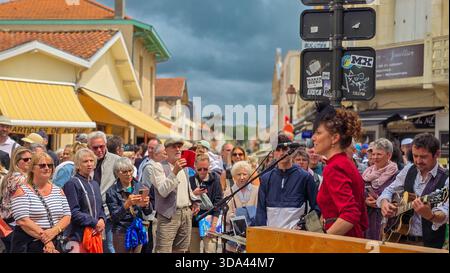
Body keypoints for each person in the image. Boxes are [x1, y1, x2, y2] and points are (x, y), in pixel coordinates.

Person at [377, 133, 449, 248]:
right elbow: (389, 189)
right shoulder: (408, 170)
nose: (418, 161)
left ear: (437, 154)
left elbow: (445, 214)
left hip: (428, 244)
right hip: (398, 237)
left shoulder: (446, 179)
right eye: (415, 156)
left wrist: (430, 215)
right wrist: (384, 202)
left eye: (423, 157)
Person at [311, 102, 368, 238]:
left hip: (342, 243)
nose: (314, 138)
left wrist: (322, 240)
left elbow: (350, 214)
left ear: (335, 138)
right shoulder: (344, 163)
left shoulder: (335, 167)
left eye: (318, 133)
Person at [10, 152, 71, 253]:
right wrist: (47, 240)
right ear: (32, 169)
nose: (47, 168)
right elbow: (23, 221)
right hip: (29, 244)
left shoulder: (58, 190)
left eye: (50, 165)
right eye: (42, 165)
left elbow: (67, 216)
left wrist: (54, 231)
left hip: (55, 241)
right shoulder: (22, 191)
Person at [256, 134, 319, 229]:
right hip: (271, 237)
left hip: (296, 238)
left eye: (285, 149)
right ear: (273, 153)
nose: (281, 153)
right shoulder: (265, 178)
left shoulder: (305, 177)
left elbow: (317, 206)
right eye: (278, 150)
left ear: (292, 151)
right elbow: (261, 211)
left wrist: (304, 225)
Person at [149, 138, 200, 253]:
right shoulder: (158, 167)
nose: (177, 149)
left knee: (181, 250)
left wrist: (194, 201)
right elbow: (163, 191)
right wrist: (175, 171)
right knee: (163, 250)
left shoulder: (184, 167)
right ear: (166, 150)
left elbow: (187, 189)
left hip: (186, 213)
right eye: (174, 146)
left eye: (179, 146)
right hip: (168, 215)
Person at [63, 148, 106, 253]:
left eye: (91, 161)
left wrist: (102, 219)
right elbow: (73, 212)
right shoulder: (72, 183)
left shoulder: (94, 184)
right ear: (78, 165)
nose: (89, 164)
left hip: (94, 236)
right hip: (77, 237)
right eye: (85, 161)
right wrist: (95, 222)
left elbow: (100, 207)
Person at [106, 158, 152, 253]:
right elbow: (114, 217)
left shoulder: (139, 186)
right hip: (121, 231)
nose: (128, 174)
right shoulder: (112, 191)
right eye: (124, 171)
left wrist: (146, 205)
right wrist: (127, 204)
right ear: (117, 173)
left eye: (130, 170)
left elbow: (148, 212)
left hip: (138, 228)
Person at [87, 131, 120, 253]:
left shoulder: (116, 160)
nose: (99, 150)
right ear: (89, 147)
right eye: (95, 147)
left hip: (108, 212)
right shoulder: (85, 161)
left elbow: (127, 183)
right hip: (89, 213)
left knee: (109, 248)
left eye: (102, 146)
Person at [362, 138, 398, 240]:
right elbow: (359, 192)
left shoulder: (397, 175)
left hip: (385, 223)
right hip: (367, 221)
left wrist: (381, 202)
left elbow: (399, 199)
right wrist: (365, 201)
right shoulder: (367, 173)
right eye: (373, 154)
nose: (375, 157)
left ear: (389, 155)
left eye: (379, 154)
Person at [189, 154, 223, 253]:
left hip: (209, 221)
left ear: (209, 167)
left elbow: (218, 203)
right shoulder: (191, 180)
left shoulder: (215, 179)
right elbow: (186, 201)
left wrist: (213, 226)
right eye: (199, 169)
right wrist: (194, 194)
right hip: (194, 222)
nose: (202, 172)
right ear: (195, 166)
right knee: (193, 250)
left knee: (210, 250)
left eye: (205, 169)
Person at [0, 147, 32, 252]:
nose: (30, 161)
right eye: (26, 159)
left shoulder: (8, 176)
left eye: (31, 159)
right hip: (17, 224)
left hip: (6, 223)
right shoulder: (22, 179)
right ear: (16, 162)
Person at [222, 161, 258, 253]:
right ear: (234, 176)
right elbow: (225, 215)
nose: (242, 177)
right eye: (238, 174)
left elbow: (259, 211)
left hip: (252, 235)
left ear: (249, 175)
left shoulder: (256, 191)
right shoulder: (228, 192)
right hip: (234, 238)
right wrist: (235, 218)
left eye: (245, 174)